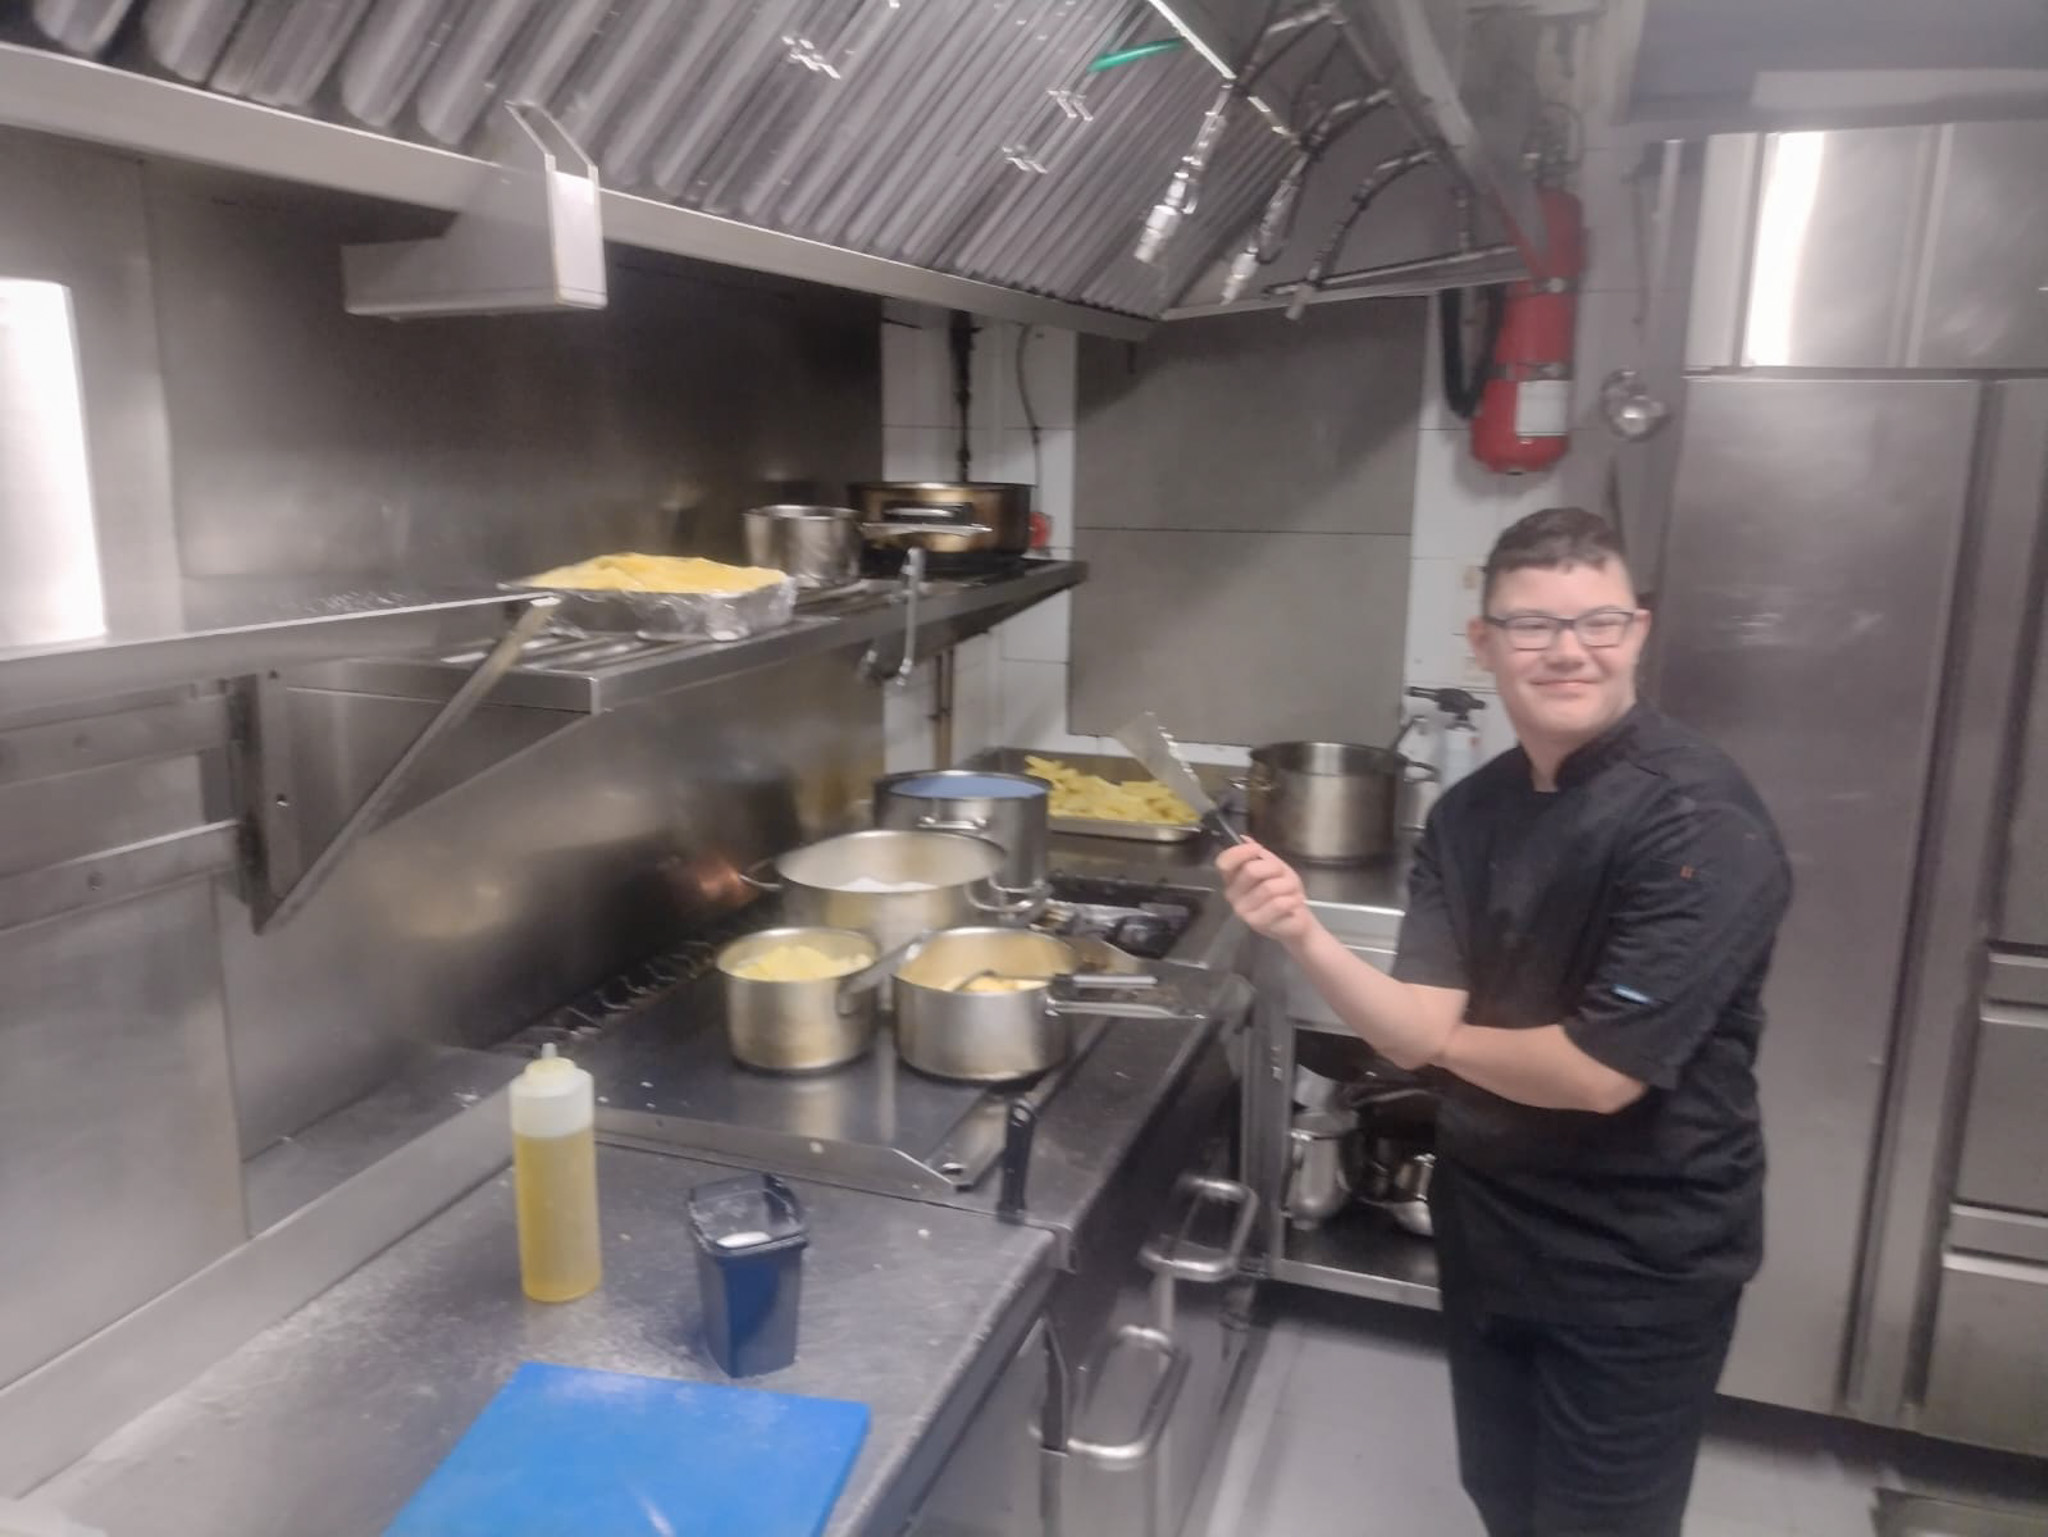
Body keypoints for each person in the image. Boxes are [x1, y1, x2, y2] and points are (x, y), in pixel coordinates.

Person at [1219, 506, 1792, 1537]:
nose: (1568, 650)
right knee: (1503, 1499)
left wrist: (1438, 1046)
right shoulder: (1468, 813)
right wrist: (1300, 931)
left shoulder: (1696, 818)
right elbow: (1409, 1026)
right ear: (1483, 644)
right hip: (1489, 1233)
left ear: (1637, 631)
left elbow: (1597, 1073)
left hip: (1637, 1264)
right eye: (1532, 625)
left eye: (1597, 621)